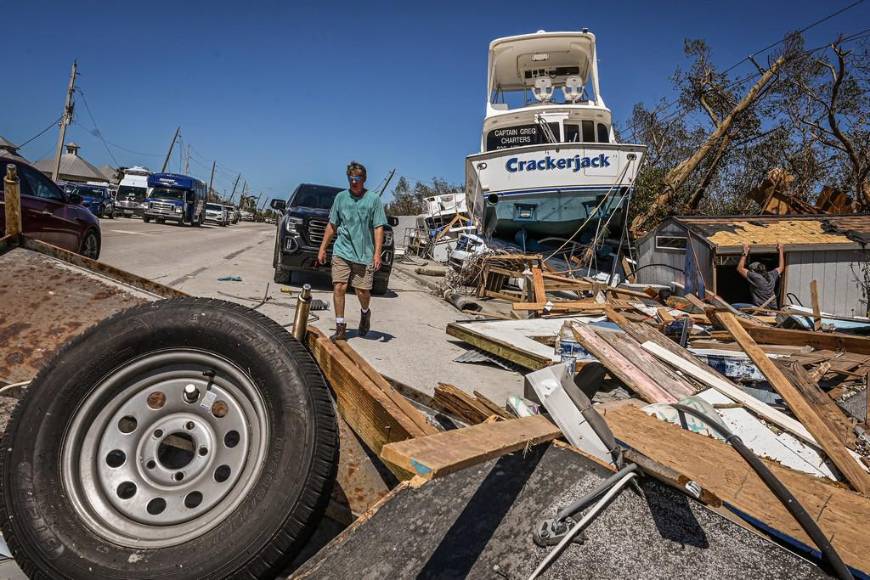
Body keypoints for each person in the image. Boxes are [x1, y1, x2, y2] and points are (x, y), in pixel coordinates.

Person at [317, 161, 388, 341]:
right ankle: (340, 326)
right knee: (339, 286)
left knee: (362, 291)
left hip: (364, 254)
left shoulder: (373, 200)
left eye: (357, 178)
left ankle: (365, 313)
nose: (353, 181)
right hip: (342, 250)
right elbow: (333, 225)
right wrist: (322, 248)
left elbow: (379, 227)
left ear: (364, 179)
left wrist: (377, 253)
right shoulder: (341, 198)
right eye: (351, 178)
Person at [737, 242, 785, 308]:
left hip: (762, 310)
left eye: (751, 271)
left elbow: (739, 268)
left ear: (753, 271)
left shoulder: (756, 277)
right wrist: (781, 250)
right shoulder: (771, 275)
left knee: (734, 306)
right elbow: (781, 267)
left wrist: (745, 252)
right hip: (773, 308)